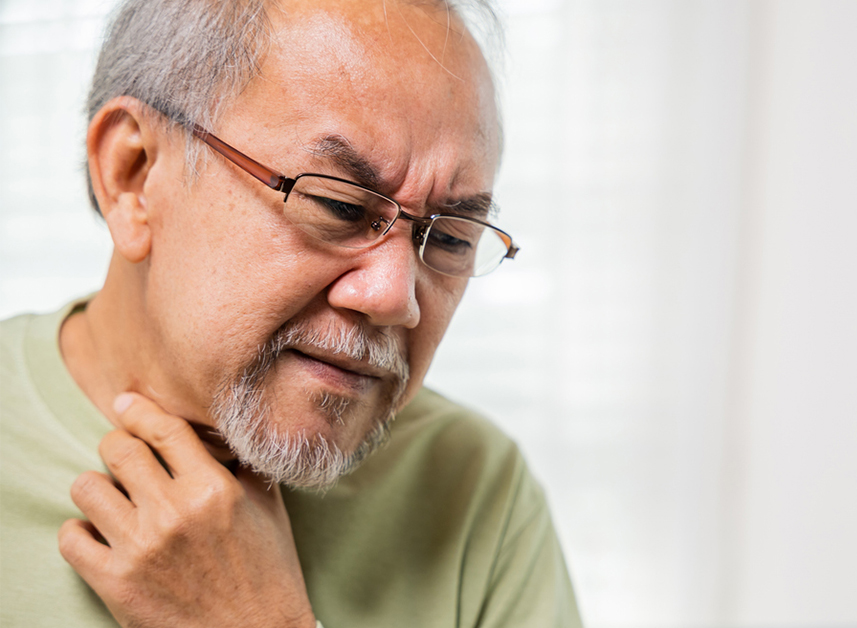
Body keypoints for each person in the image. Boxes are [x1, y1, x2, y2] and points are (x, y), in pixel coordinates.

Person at [0, 0, 581, 626]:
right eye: (337, 204)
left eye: (449, 238)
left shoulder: (475, 491)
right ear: (134, 175)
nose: (396, 298)